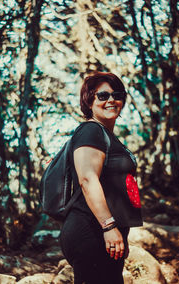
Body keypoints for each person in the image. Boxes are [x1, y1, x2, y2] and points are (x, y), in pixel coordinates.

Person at [59, 72, 143, 284]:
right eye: (102, 95)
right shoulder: (91, 131)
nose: (111, 100)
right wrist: (109, 227)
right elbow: (87, 179)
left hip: (105, 233)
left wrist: (119, 232)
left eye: (117, 94)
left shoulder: (107, 135)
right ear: (89, 100)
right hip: (91, 231)